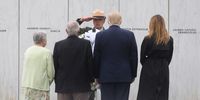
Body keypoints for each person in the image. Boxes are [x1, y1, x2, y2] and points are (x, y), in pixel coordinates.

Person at [94, 11, 138, 100]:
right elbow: (134, 57)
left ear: (108, 21)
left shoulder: (100, 35)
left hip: (105, 76)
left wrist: (96, 76)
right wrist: (133, 74)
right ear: (121, 21)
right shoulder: (129, 35)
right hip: (124, 76)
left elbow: (96, 58)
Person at [53, 21, 94, 100]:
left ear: (66, 31)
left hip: (63, 86)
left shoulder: (58, 45)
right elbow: (90, 64)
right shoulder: (86, 44)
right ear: (78, 30)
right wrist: (91, 80)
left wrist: (58, 81)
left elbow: (55, 66)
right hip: (82, 85)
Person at [137, 15, 174, 100]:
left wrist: (147, 64)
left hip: (149, 68)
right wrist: (163, 63)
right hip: (163, 68)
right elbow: (169, 57)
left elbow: (142, 57)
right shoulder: (169, 40)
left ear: (152, 24)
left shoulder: (147, 39)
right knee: (162, 94)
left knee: (146, 93)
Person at [21, 32, 55, 100]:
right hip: (41, 87)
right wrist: (47, 82)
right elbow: (51, 72)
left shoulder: (28, 50)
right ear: (43, 40)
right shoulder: (47, 52)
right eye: (46, 39)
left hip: (27, 86)